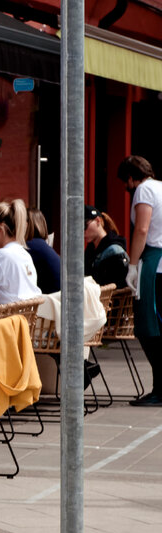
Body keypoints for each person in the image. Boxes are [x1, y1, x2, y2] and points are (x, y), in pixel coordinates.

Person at [117, 155, 162, 405]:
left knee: (149, 326)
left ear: (131, 178)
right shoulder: (161, 186)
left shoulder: (143, 190)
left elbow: (142, 229)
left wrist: (132, 266)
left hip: (154, 262)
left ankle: (160, 388)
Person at [83, 205, 129, 289]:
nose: (83, 232)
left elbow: (120, 285)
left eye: (84, 226)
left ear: (98, 221)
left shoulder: (114, 251)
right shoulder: (90, 250)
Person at [26, 208, 62, 294]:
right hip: (59, 298)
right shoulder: (40, 245)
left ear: (26, 225)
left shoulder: (30, 246)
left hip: (51, 301)